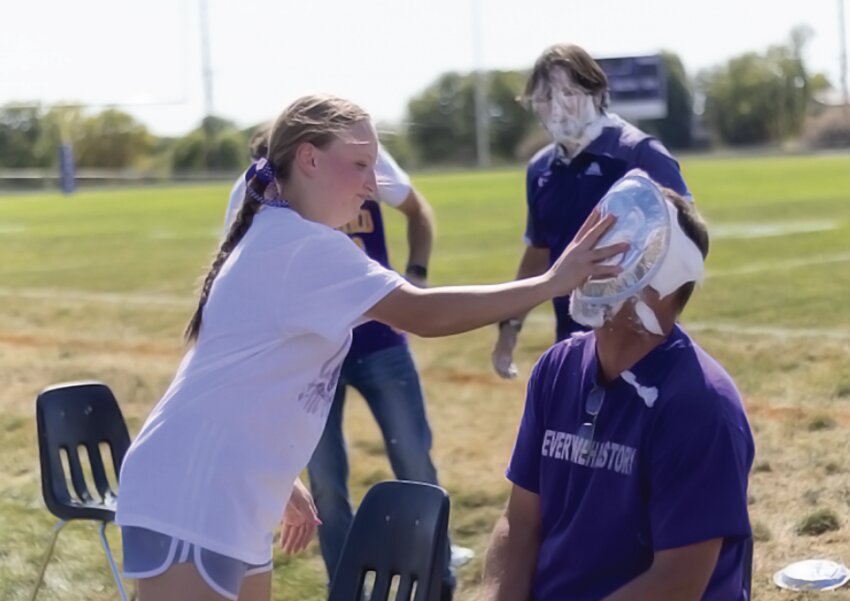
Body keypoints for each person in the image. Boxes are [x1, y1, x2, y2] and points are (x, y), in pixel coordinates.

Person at [115, 93, 627, 601]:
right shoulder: (304, 246)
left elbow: (235, 374)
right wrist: (551, 282)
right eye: (360, 164)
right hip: (194, 491)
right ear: (309, 159)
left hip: (231, 490)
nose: (372, 183)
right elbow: (424, 314)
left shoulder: (283, 235)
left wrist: (279, 478)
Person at [477, 177, 754, 601]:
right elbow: (520, 522)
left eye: (618, 243)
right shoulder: (557, 368)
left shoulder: (701, 404)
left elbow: (677, 583)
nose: (588, 254)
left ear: (665, 276)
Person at [225, 133, 459, 598]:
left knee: (414, 460)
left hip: (381, 341)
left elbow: (418, 210)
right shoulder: (255, 186)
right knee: (326, 484)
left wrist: (416, 276)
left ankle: (438, 578)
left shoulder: (359, 158)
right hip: (311, 359)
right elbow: (235, 272)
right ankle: (345, 586)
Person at [492, 43, 693, 379]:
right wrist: (510, 326)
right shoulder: (540, 169)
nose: (556, 108)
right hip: (573, 339)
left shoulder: (639, 155)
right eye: (544, 99)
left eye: (568, 93)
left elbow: (689, 242)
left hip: (640, 340)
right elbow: (539, 252)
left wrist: (652, 317)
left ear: (597, 92)